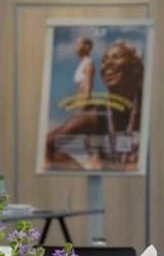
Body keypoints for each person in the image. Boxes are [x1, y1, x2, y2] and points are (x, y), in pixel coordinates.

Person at [45, 39, 146, 171]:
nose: (107, 63)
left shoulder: (152, 106)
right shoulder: (94, 116)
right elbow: (45, 145)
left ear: (135, 67)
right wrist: (81, 175)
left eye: (116, 57)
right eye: (104, 60)